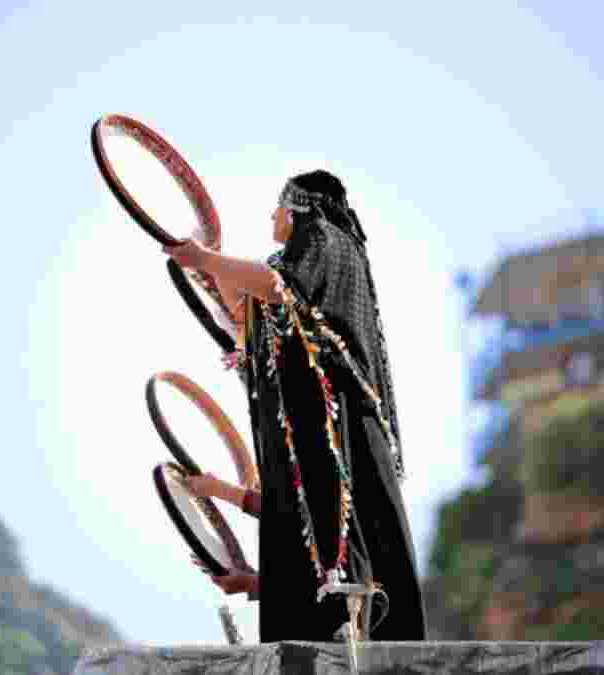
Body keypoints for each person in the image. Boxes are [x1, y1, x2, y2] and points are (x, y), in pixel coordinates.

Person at [163, 170, 428, 642]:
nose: (272, 214)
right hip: (317, 428)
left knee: (342, 532)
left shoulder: (324, 237)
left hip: (334, 411)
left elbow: (275, 287)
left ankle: (352, 617)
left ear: (298, 209)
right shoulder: (297, 425)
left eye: (278, 206)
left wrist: (206, 258)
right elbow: (245, 312)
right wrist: (213, 260)